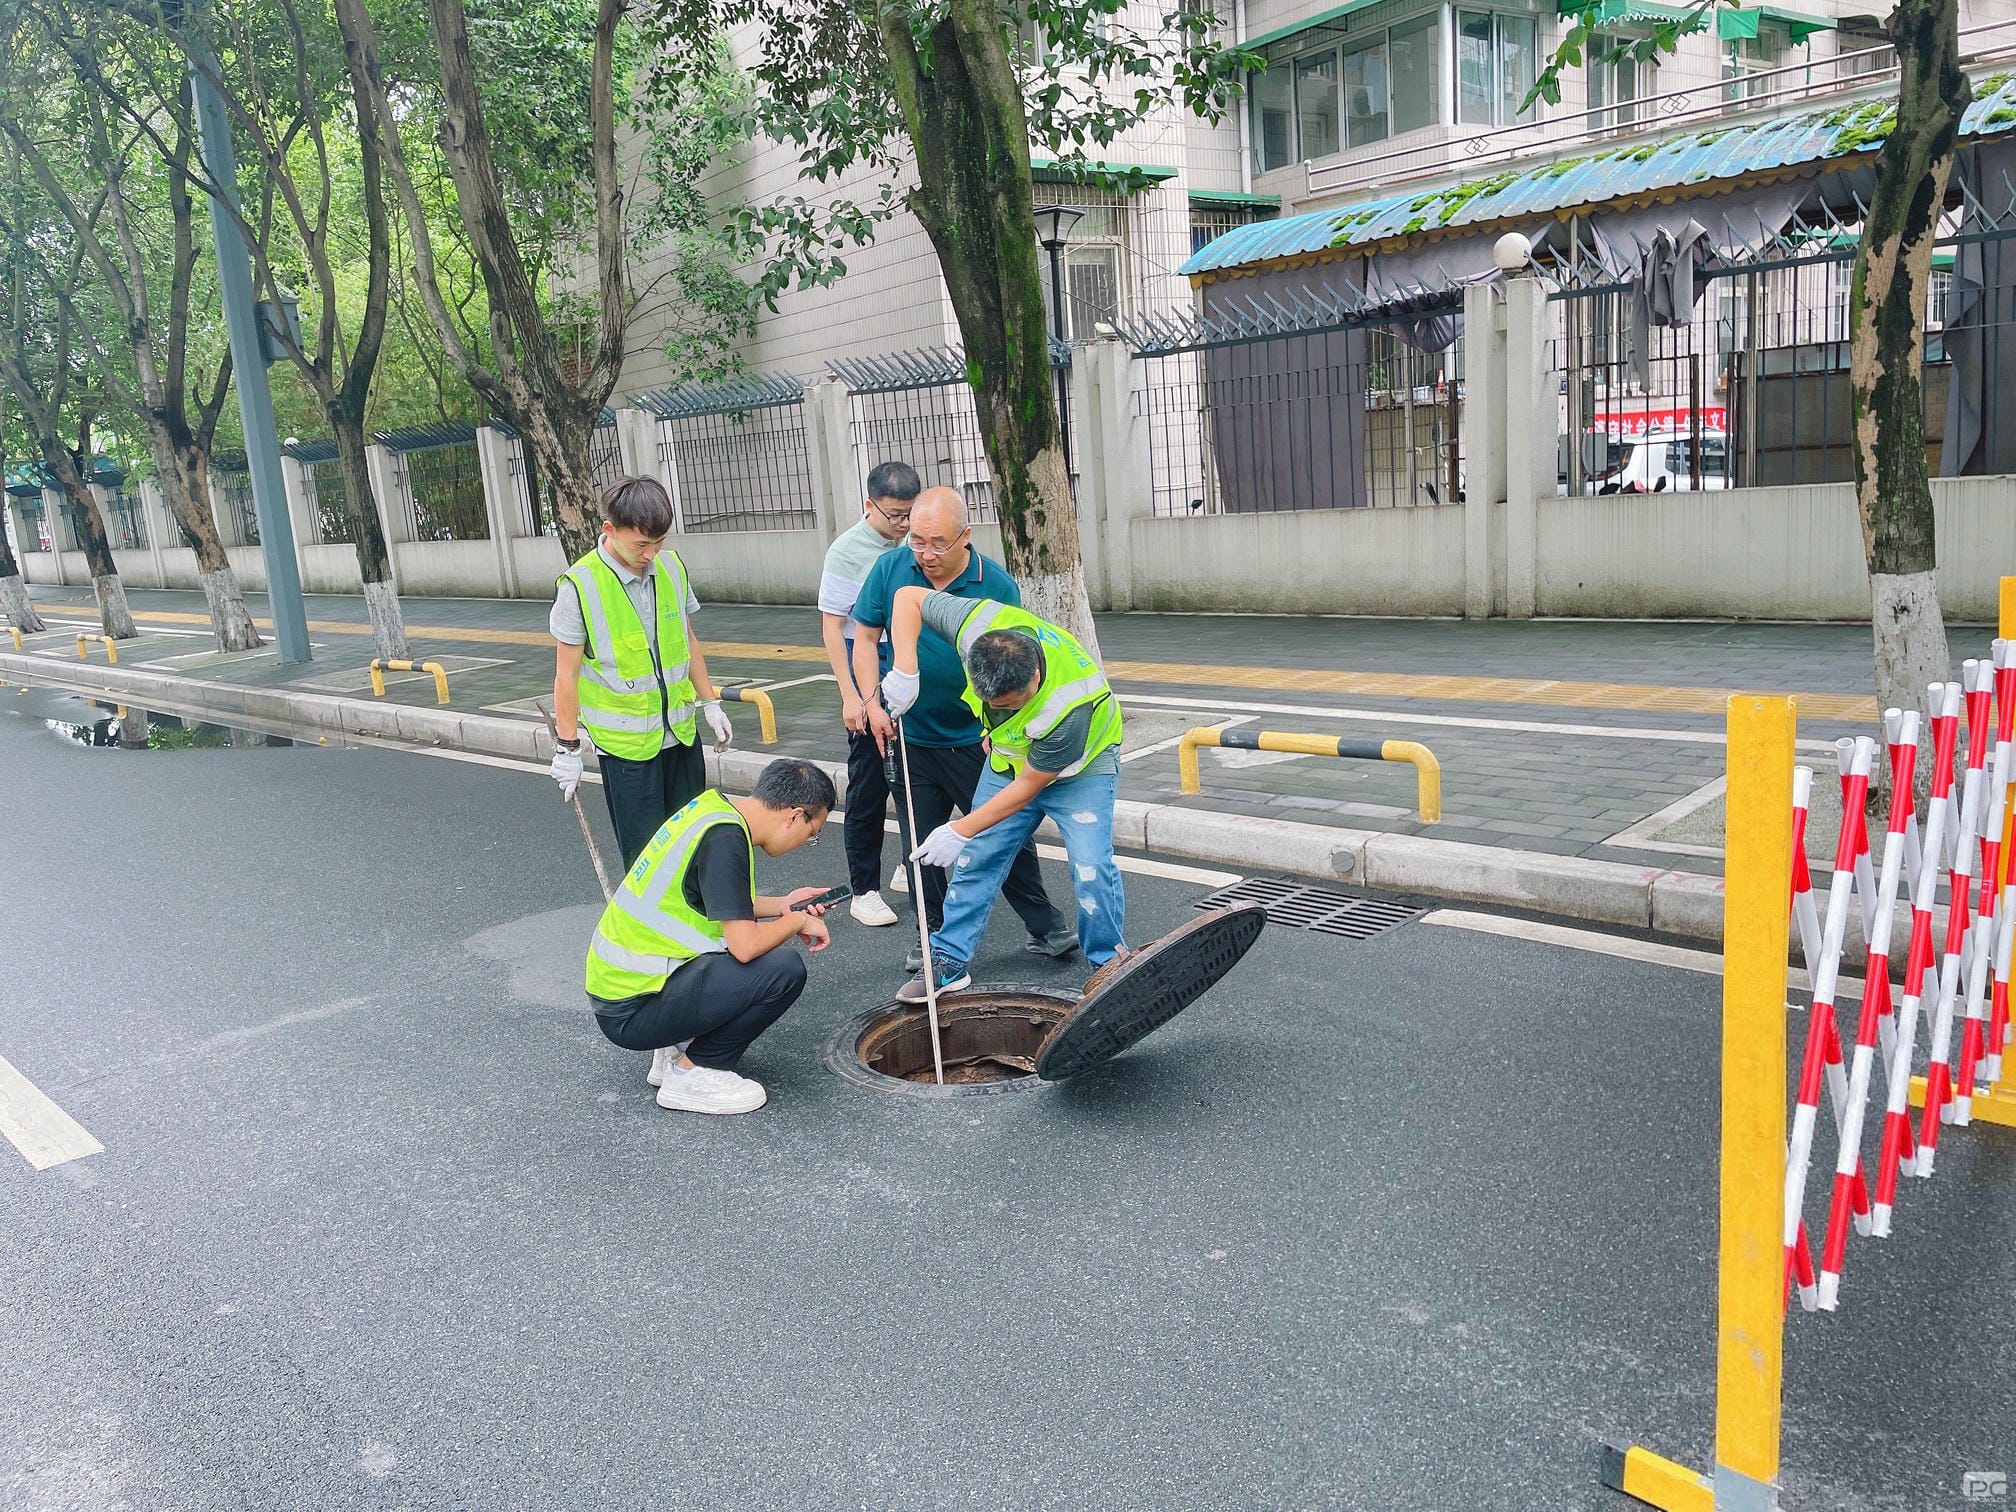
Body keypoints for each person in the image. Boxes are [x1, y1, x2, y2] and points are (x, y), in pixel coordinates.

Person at [849, 487, 1075, 970]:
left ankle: (1046, 926)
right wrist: (871, 702)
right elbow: (865, 638)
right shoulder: (891, 568)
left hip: (975, 738)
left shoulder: (995, 584)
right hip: (910, 733)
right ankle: (930, 934)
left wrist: (1004, 729)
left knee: (1002, 832)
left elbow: (1017, 670)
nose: (926, 554)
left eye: (937, 543)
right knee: (920, 838)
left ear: (965, 537)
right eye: (916, 541)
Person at [880, 589, 1126, 1004]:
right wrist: (906, 668)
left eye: (1010, 705)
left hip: (1081, 766)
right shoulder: (977, 625)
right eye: (992, 704)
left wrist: (959, 828)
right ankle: (948, 961)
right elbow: (908, 598)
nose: (1001, 711)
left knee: (1090, 865)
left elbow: (1029, 787)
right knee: (978, 858)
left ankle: (1108, 965)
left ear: (1033, 676)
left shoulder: (1067, 706)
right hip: (1011, 760)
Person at [585, 758, 838, 1116]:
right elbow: (746, 947)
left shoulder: (712, 811)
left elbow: (716, 899)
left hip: (626, 989)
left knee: (741, 957)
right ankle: (694, 1071)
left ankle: (673, 1047)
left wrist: (783, 904)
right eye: (812, 835)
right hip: (634, 1010)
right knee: (783, 970)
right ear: (794, 815)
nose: (807, 841)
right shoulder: (726, 840)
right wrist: (795, 922)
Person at [550, 477, 735, 869]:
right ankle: (648, 931)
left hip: (682, 738)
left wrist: (710, 703)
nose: (651, 553)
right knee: (647, 861)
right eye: (641, 544)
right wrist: (567, 748)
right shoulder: (579, 586)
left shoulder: (671, 567)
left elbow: (688, 640)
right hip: (628, 752)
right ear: (609, 530)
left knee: (694, 848)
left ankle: (695, 928)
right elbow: (565, 676)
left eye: (659, 542)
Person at [817, 460, 921, 929]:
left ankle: (910, 866)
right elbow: (834, 628)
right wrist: (851, 696)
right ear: (869, 506)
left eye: (909, 514)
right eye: (895, 515)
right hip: (868, 673)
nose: (903, 525)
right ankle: (864, 889)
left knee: (918, 781)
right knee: (870, 785)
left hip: (910, 672)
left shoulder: (916, 545)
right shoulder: (847, 551)